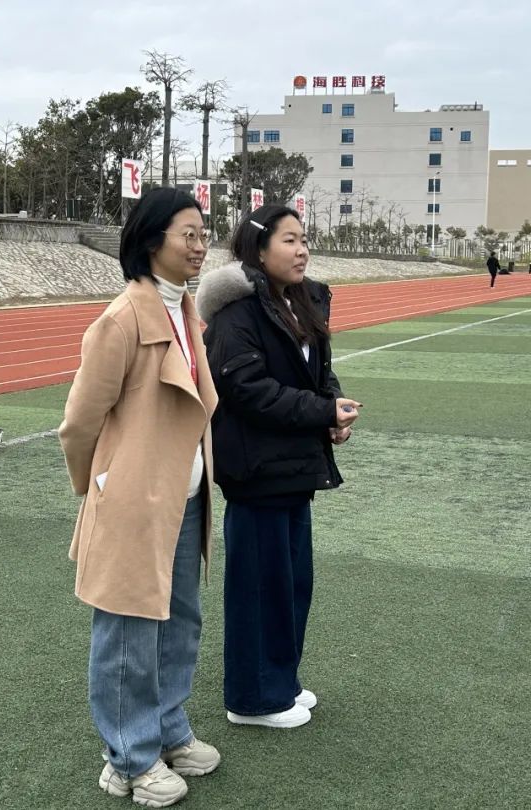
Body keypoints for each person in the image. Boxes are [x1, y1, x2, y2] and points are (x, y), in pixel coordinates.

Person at [59, 188, 220, 808]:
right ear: (152, 241)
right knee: (128, 632)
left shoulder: (185, 313)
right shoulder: (123, 319)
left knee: (178, 623)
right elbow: (79, 422)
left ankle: (168, 732)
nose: (200, 245)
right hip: (133, 501)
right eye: (188, 234)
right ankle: (127, 759)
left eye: (204, 233)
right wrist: (99, 486)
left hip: (183, 498)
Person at [194, 204, 361, 730]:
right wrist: (321, 412)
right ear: (258, 249)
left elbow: (319, 374)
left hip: (294, 468)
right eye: (289, 240)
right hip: (256, 472)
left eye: (304, 239)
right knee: (259, 589)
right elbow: (248, 391)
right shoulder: (236, 315)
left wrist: (333, 412)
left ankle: (281, 683)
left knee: (291, 584)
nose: (302, 249)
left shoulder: (304, 301)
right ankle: (252, 699)